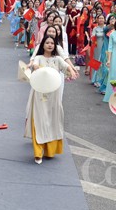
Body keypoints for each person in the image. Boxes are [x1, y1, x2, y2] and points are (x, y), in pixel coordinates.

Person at [26, 36, 78, 164]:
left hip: (54, 95)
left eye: (52, 43)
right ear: (43, 45)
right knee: (39, 120)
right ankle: (38, 153)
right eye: (47, 43)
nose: (50, 45)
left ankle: (50, 150)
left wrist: (72, 71)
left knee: (53, 120)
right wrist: (35, 67)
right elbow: (35, 64)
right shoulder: (38, 58)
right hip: (39, 94)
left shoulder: (58, 59)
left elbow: (67, 67)